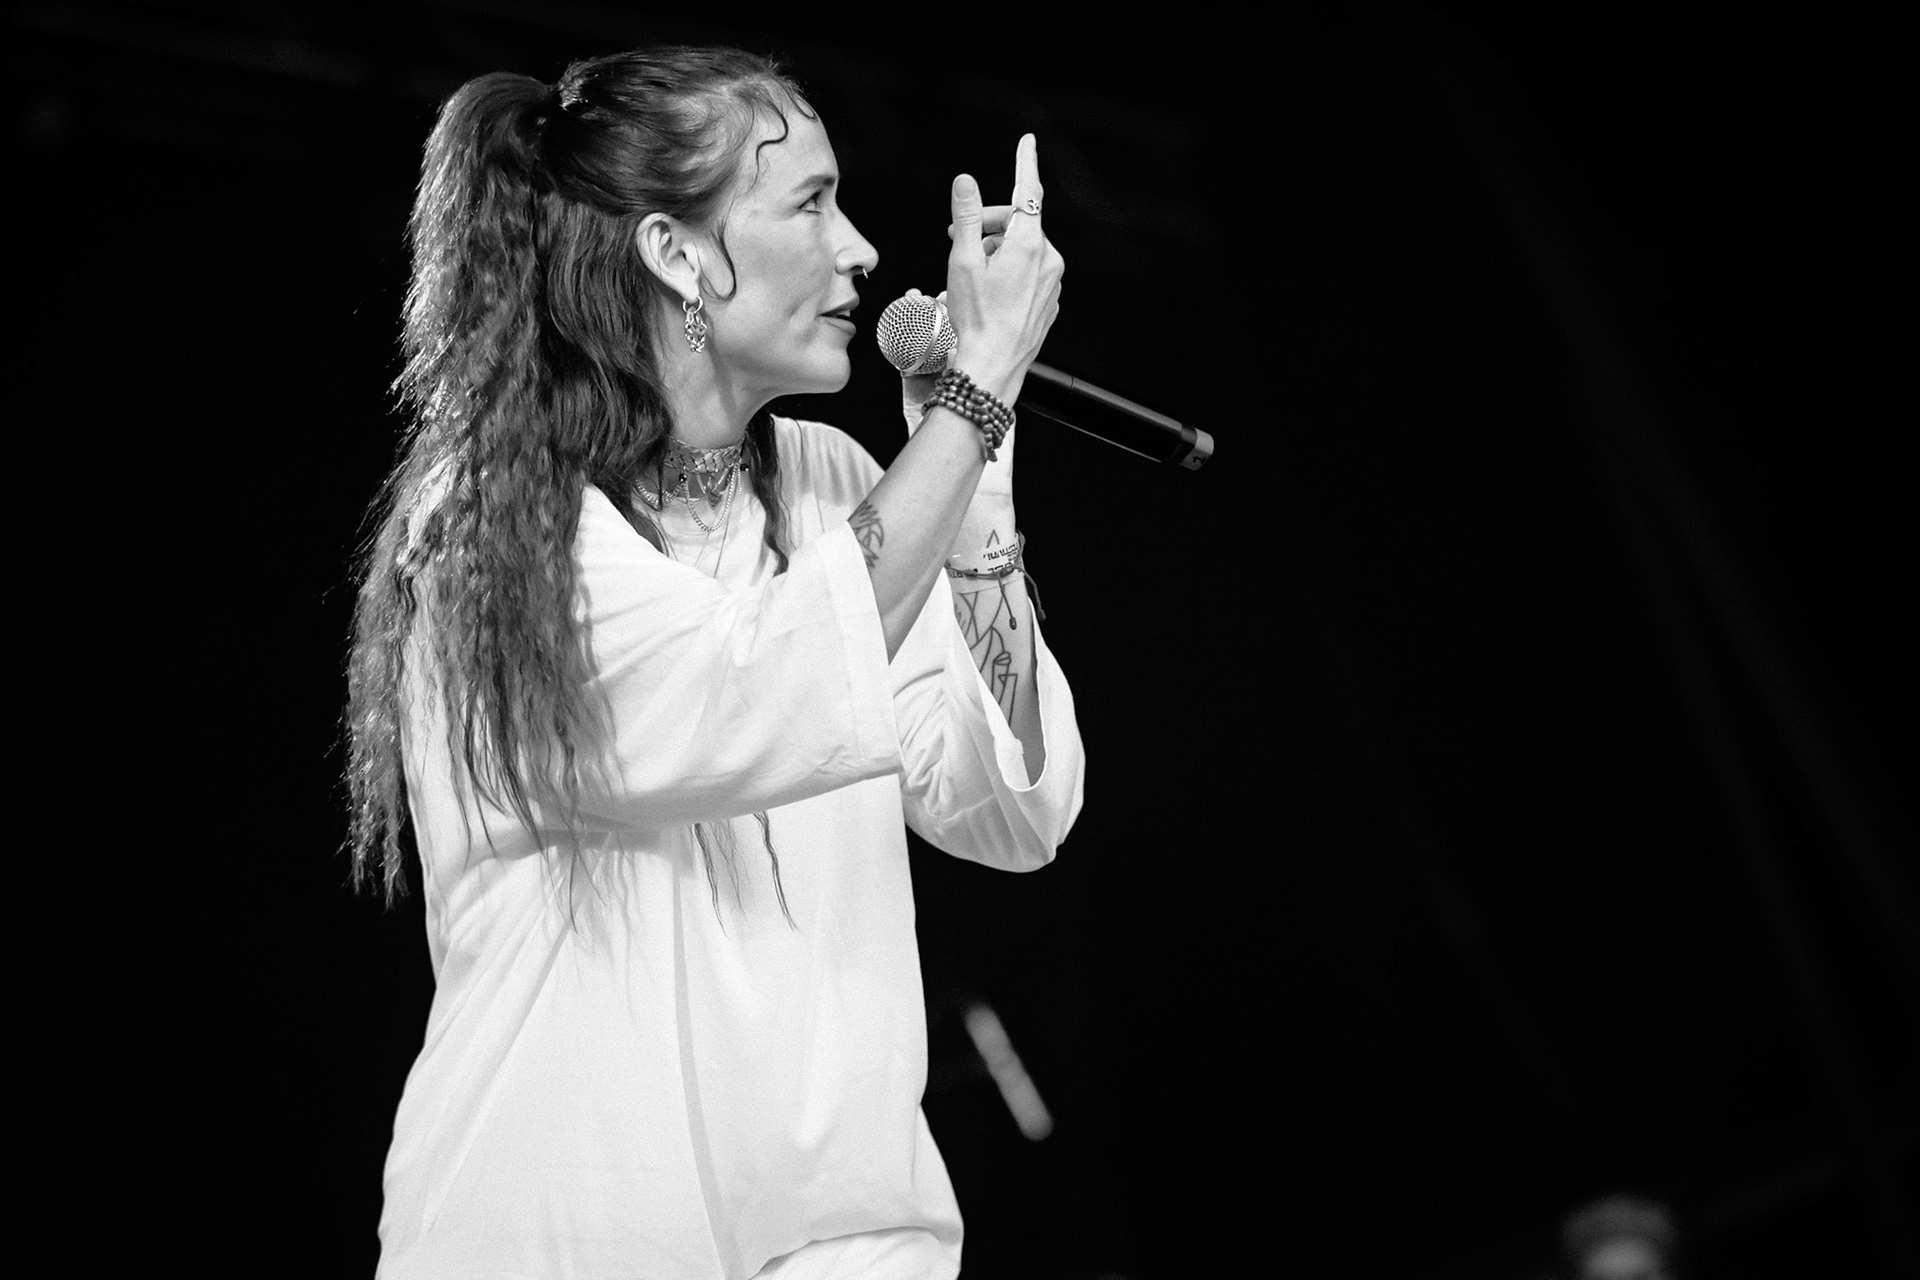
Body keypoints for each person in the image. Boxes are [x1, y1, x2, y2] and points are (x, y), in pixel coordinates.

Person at [343, 45, 1081, 1280]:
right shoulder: (488, 527)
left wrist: (980, 498)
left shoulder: (839, 488)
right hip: (561, 1237)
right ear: (679, 255)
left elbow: (1008, 809)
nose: (858, 251)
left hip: (847, 1243)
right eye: (810, 202)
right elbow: (753, 682)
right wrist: (973, 401)